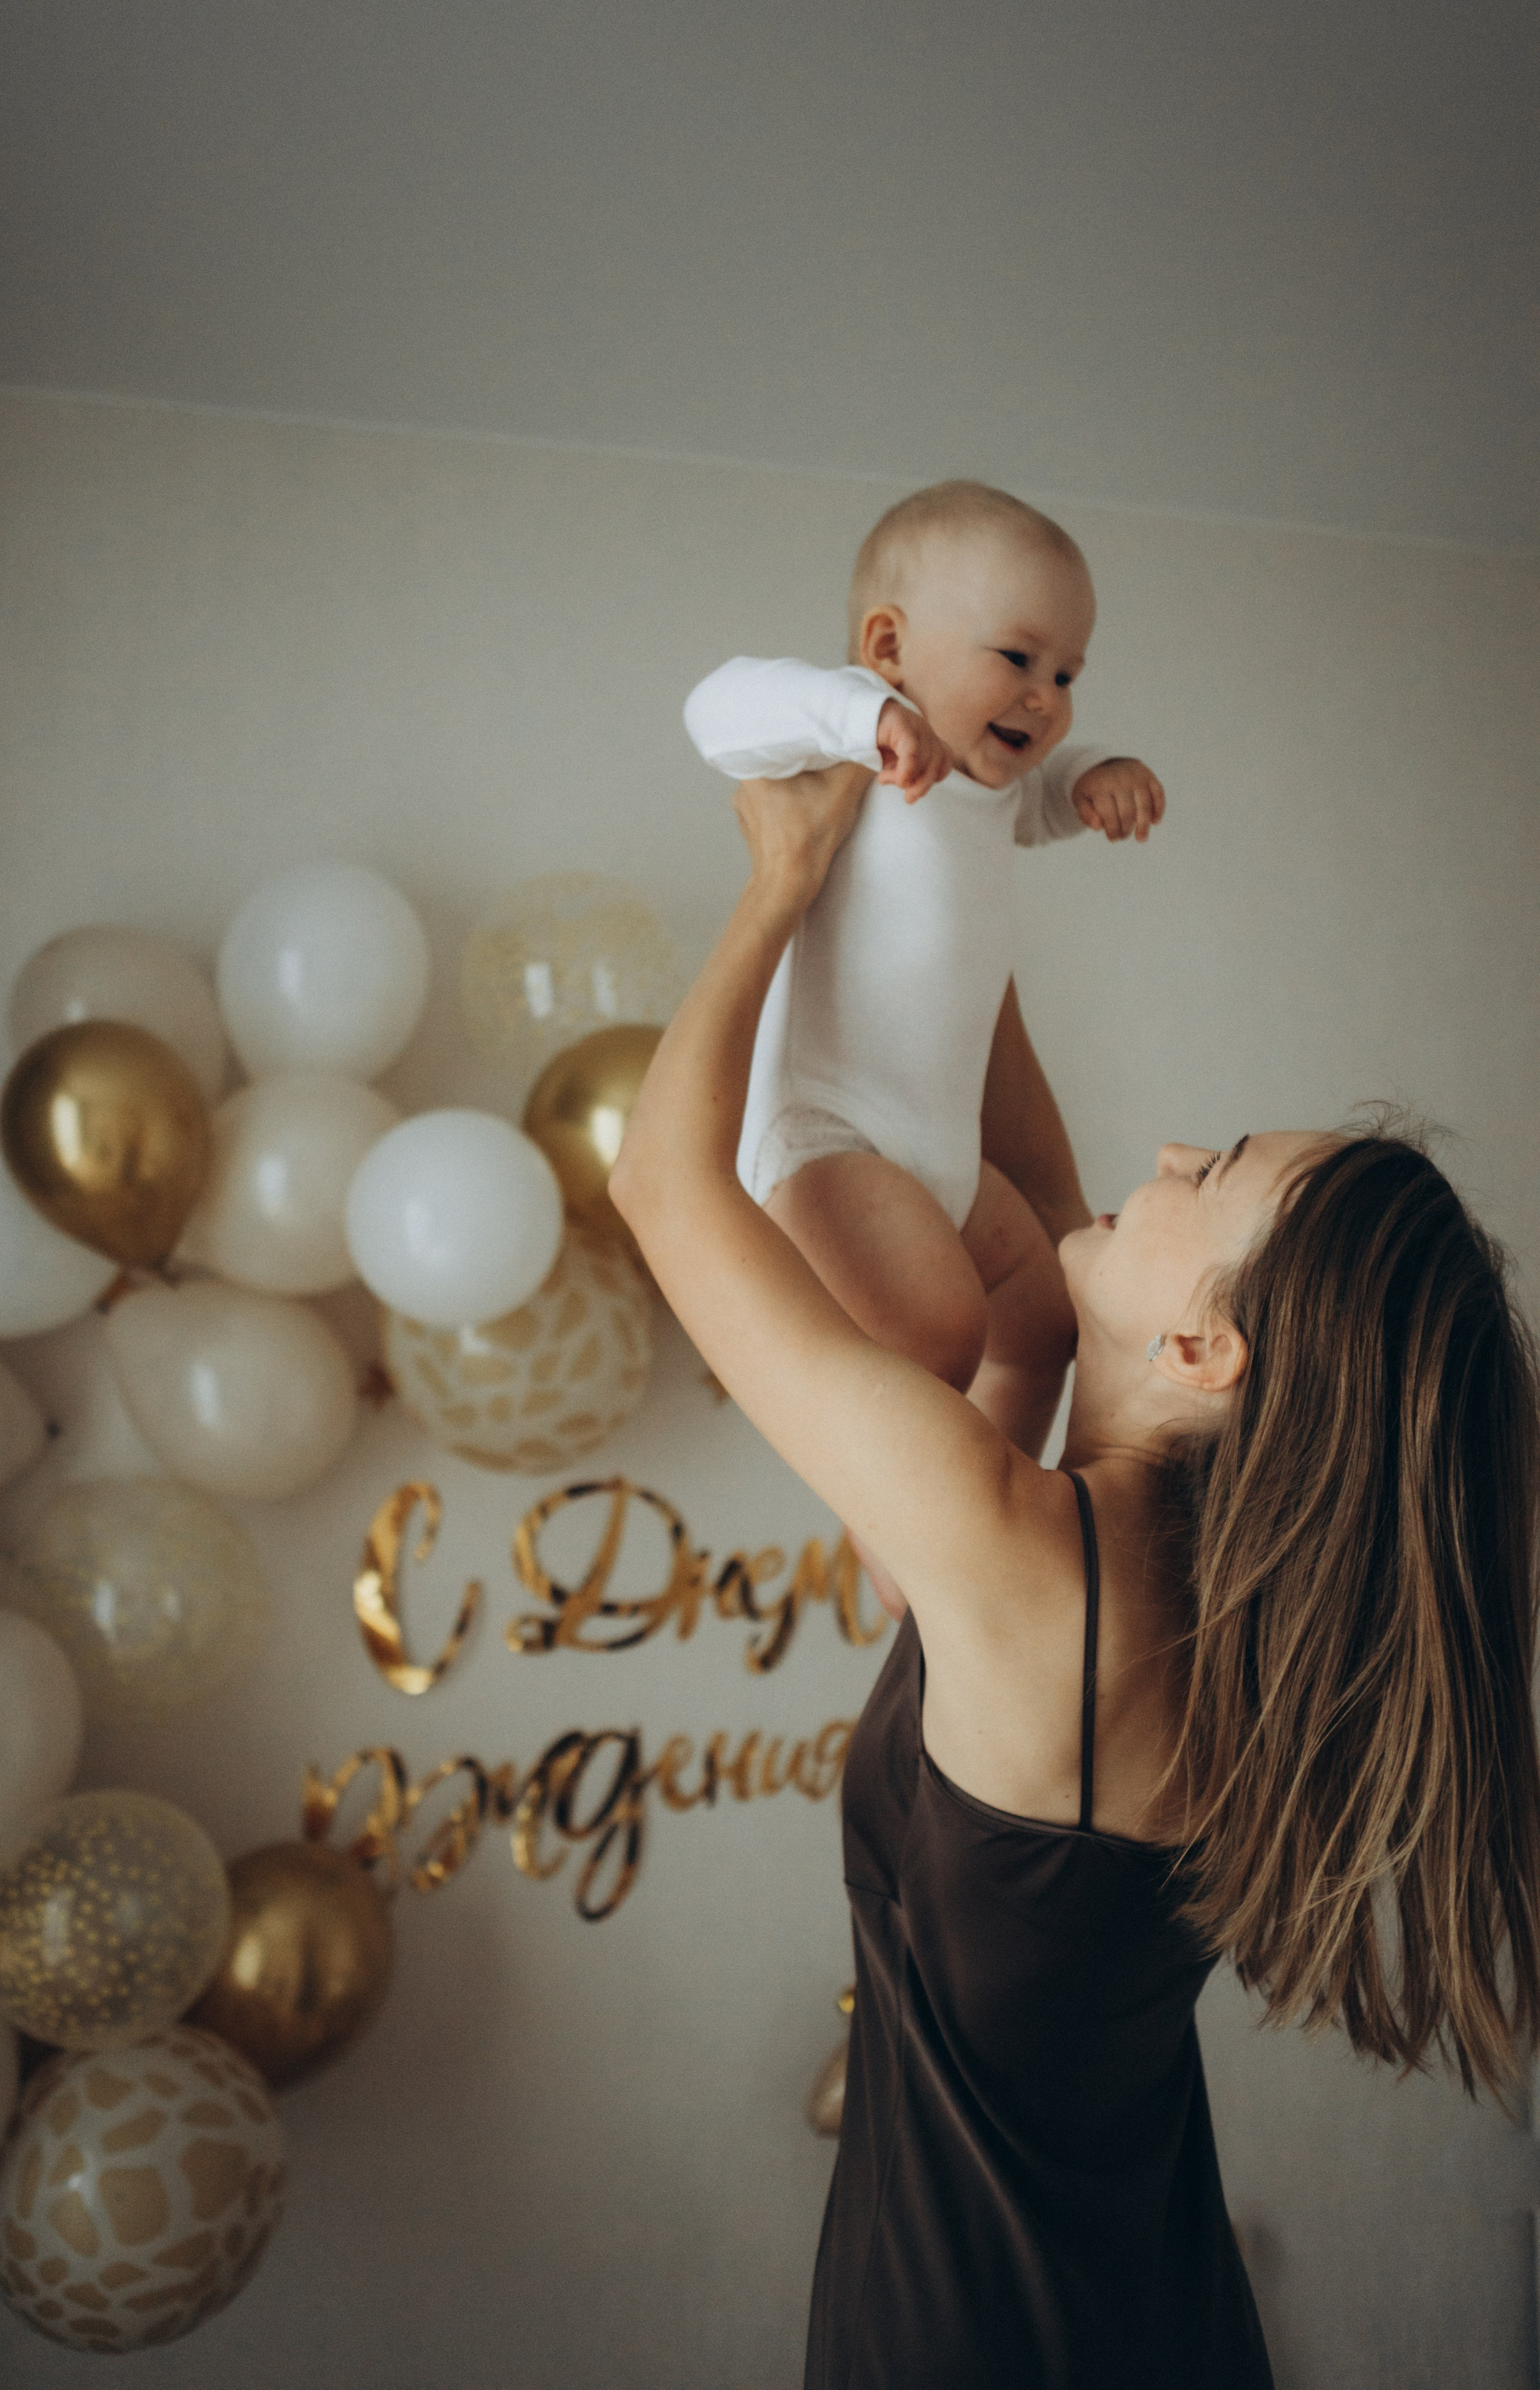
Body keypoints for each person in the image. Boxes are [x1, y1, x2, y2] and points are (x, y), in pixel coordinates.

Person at [609, 759, 1540, 2390]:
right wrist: (952, 853)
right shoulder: (1194, 1607)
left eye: (1215, 1166)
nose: (1167, 1149)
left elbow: (657, 1186)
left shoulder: (1025, 1559)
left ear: (1204, 1348)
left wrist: (779, 881)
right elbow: (1041, 1236)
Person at [683, 481, 1166, 1495]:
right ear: (889, 646)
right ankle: (902, 1534)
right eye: (1018, 658)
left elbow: (1044, 801)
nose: (1046, 697)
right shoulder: (859, 746)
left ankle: (989, 1503)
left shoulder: (995, 791)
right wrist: (859, 714)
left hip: (939, 1149)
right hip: (830, 1132)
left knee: (1044, 1318)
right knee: (938, 1336)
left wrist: (1098, 773)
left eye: (1067, 674)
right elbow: (715, 712)